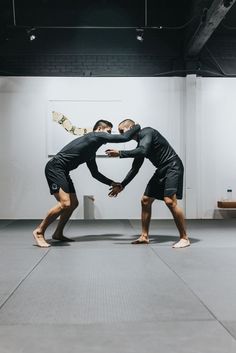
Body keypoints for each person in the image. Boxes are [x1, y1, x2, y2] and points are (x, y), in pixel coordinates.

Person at [33, 119, 140, 248]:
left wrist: (111, 182)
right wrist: (137, 126)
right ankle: (39, 231)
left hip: (63, 171)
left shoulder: (91, 150)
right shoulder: (95, 136)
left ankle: (58, 233)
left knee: (73, 204)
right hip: (55, 168)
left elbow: (95, 173)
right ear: (100, 129)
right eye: (108, 131)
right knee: (65, 203)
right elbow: (125, 137)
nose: (109, 135)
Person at [106, 119, 190, 248]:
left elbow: (143, 151)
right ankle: (144, 237)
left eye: (122, 131)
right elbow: (135, 169)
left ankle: (184, 238)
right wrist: (122, 185)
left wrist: (120, 153)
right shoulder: (141, 144)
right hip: (161, 169)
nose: (122, 134)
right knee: (145, 200)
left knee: (170, 201)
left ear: (131, 127)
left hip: (173, 166)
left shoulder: (147, 132)